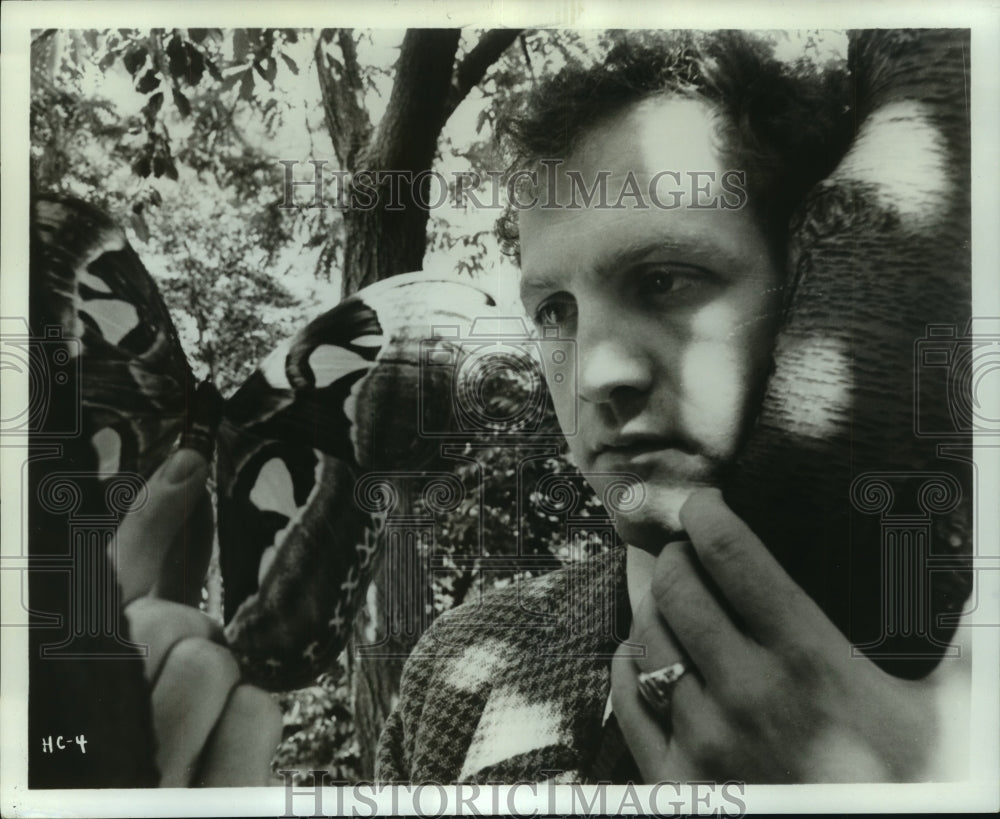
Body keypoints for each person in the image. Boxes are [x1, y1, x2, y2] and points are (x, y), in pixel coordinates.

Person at [116, 30, 971, 786]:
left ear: (807, 282)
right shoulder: (459, 675)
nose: (596, 371)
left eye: (666, 280)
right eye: (554, 312)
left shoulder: (970, 685)